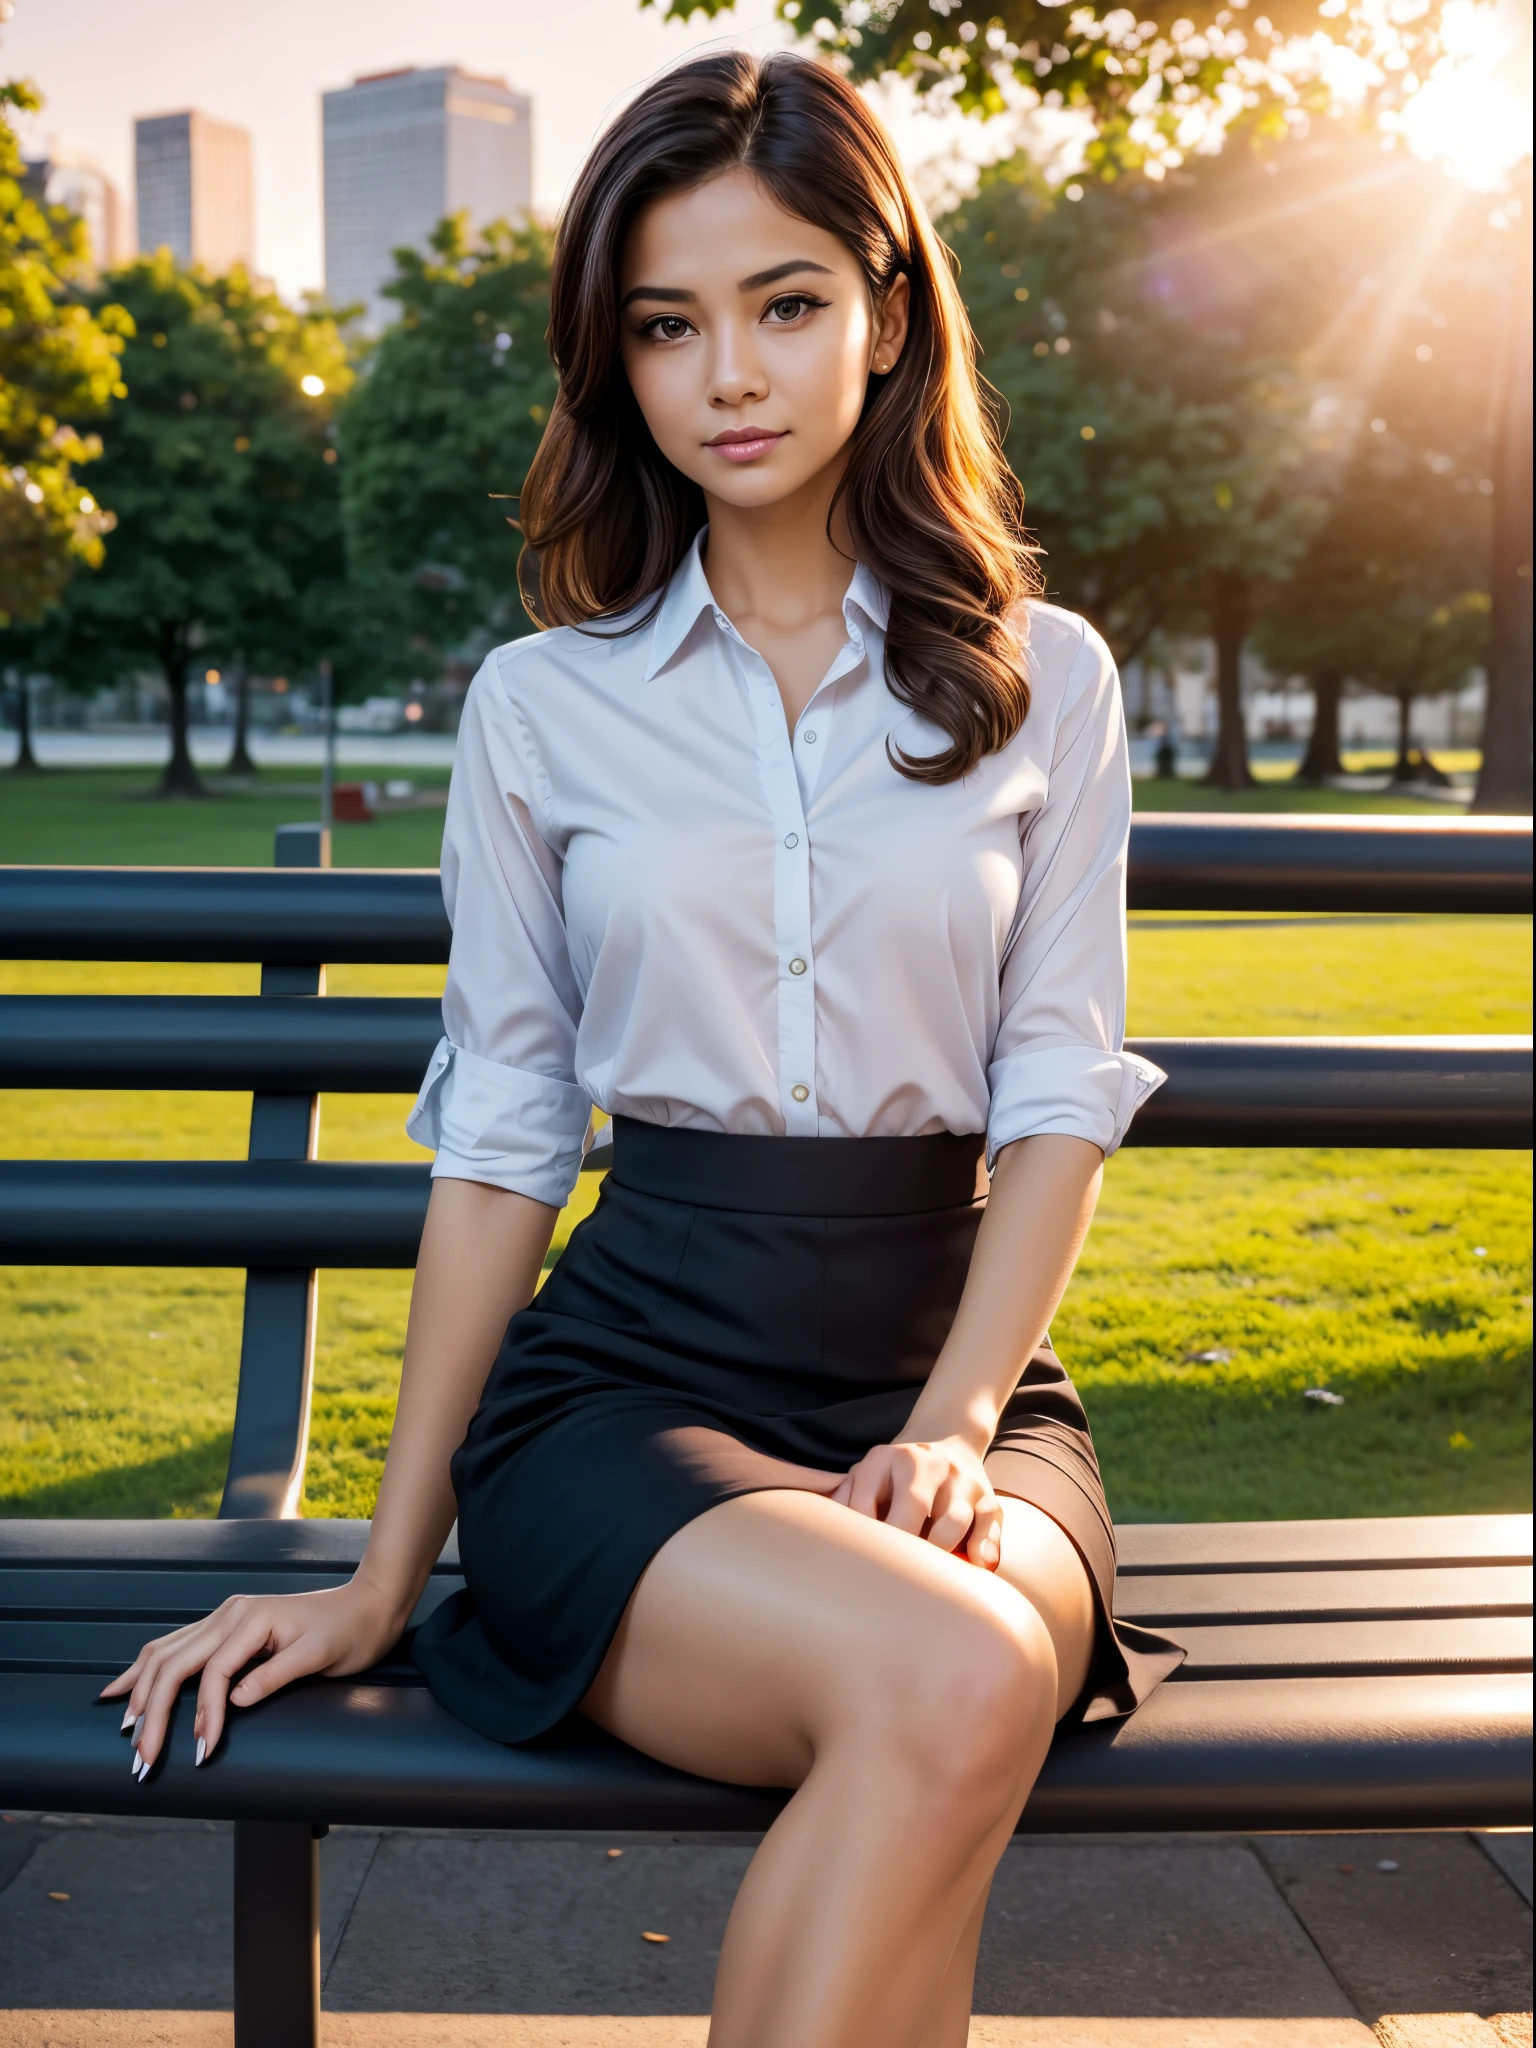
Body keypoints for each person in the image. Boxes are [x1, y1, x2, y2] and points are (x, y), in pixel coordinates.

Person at [104, 51, 1182, 2047]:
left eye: (784, 304)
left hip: (961, 1388)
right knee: (950, 1687)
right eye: (667, 328)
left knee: (955, 1685)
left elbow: (1054, 1089)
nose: (730, 377)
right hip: (631, 1397)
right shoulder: (542, 707)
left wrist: (951, 1424)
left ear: (886, 309)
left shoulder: (1054, 682)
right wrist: (374, 1568)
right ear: (616, 363)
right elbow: (506, 1134)